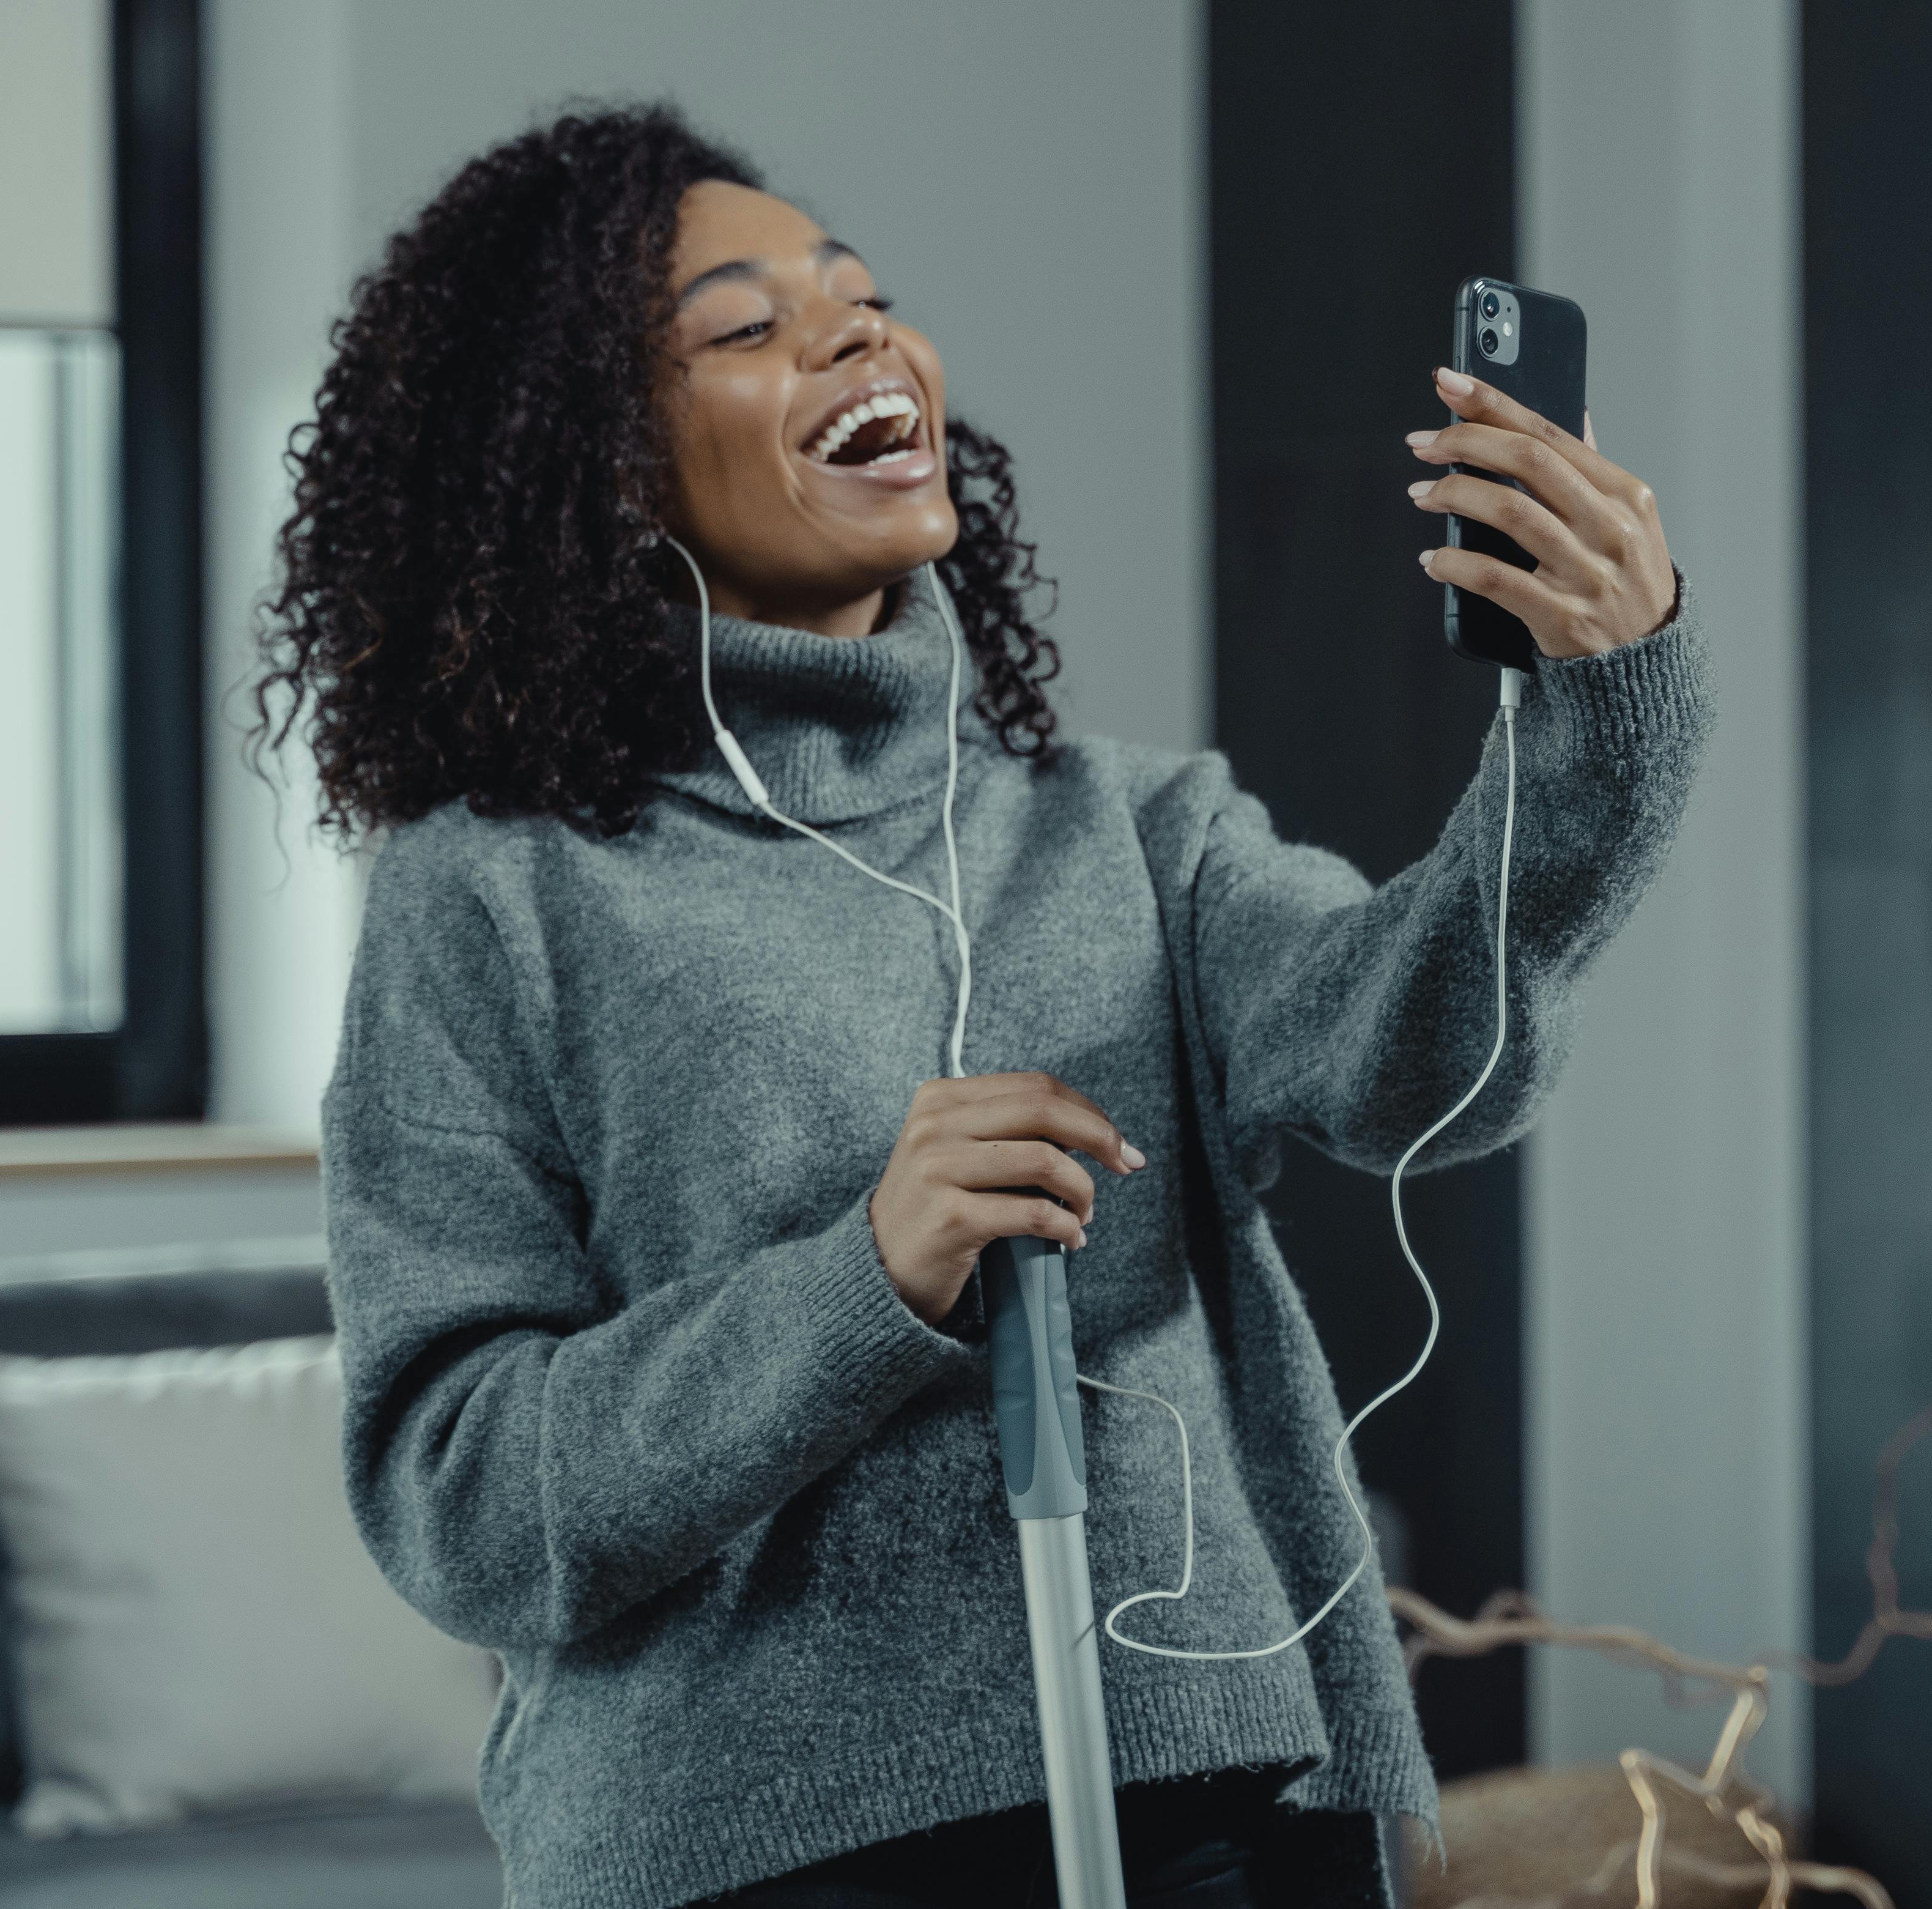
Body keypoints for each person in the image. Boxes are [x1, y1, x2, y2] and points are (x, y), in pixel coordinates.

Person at [257, 102, 1710, 1908]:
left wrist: (1601, 720)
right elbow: (457, 1501)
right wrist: (866, 1280)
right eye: (744, 326)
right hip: (761, 1858)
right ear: (596, 467)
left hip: (1225, 1810)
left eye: (859, 297)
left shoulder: (1124, 831)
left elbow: (1423, 1061)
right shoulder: (495, 897)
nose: (858, 334)